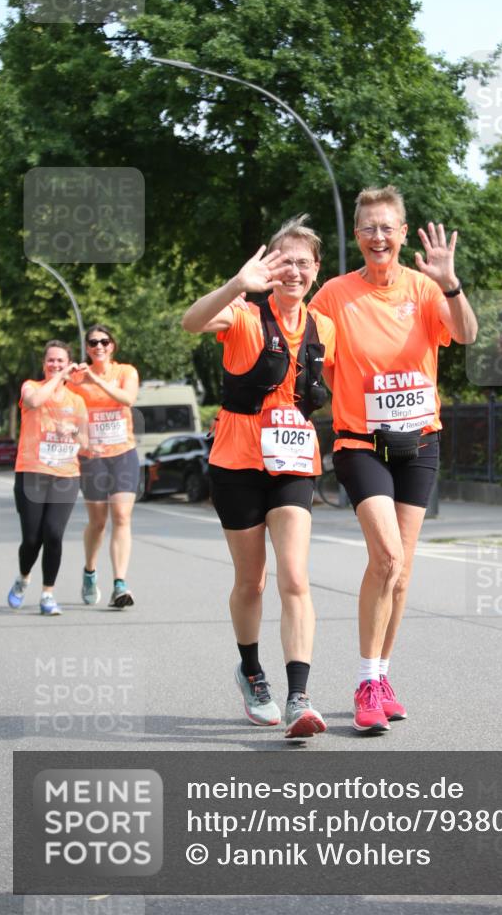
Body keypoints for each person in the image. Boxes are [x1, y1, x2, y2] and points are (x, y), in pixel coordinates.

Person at [310, 185, 478, 733]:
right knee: (385, 557)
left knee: (401, 573)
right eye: (368, 228)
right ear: (355, 235)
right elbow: (305, 353)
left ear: (403, 234)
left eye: (387, 227)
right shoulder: (334, 295)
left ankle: (382, 676)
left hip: (420, 442)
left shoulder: (428, 289)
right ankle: (364, 683)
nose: (378, 237)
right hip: (361, 442)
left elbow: (467, 334)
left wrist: (450, 282)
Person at [182, 216, 335, 739]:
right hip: (237, 462)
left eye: (303, 262)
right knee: (253, 581)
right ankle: (251, 672)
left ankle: (299, 696)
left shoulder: (324, 327)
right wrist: (234, 284)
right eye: (284, 260)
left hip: (292, 464)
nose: (293, 270)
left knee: (295, 577)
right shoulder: (245, 315)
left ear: (316, 269)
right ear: (269, 266)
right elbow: (191, 322)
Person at [8, 340, 88, 616]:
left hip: (65, 475)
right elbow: (34, 401)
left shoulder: (77, 401)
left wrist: (73, 432)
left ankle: (47, 595)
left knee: (53, 534)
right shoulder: (31, 386)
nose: (55, 365)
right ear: (44, 364)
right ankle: (23, 578)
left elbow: (87, 442)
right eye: (51, 361)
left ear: (68, 363)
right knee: (32, 539)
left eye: (61, 361)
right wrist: (60, 379)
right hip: (32, 472)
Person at [69, 324, 139, 610]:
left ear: (113, 346)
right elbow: (67, 418)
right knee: (98, 522)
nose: (99, 346)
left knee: (121, 516)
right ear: (87, 348)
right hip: (93, 456)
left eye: (104, 342)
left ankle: (119, 583)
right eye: (93, 342)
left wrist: (95, 381)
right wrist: (82, 440)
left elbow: (127, 399)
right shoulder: (75, 380)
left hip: (123, 453)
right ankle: (89, 571)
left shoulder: (125, 373)